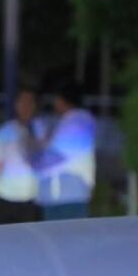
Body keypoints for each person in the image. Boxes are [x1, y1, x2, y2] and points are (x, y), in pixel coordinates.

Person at [33, 80, 97, 220]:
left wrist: (36, 154)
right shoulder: (73, 121)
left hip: (65, 197)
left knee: (65, 233)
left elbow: (51, 158)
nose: (54, 103)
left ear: (62, 100)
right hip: (64, 195)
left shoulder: (75, 123)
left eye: (56, 99)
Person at [0, 87, 43, 225]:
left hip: (31, 200)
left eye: (30, 102)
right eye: (22, 102)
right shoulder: (5, 131)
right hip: (5, 199)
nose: (26, 106)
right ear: (16, 105)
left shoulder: (41, 130)